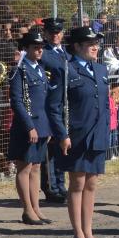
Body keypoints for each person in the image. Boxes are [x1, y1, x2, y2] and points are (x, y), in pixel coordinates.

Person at [47, 26, 110, 238]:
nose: (95, 47)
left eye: (96, 43)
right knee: (78, 183)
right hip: (77, 135)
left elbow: (104, 104)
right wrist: (62, 134)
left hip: (97, 134)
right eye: (90, 43)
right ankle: (78, 234)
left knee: (91, 183)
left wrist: (105, 131)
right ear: (77, 46)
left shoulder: (100, 69)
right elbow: (54, 107)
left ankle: (89, 231)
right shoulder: (66, 69)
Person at [8, 28, 53, 226]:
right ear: (25, 49)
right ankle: (27, 209)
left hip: (41, 125)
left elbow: (44, 100)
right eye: (35, 47)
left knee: (36, 167)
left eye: (41, 47)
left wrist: (47, 127)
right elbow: (17, 101)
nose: (40, 50)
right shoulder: (19, 70)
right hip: (26, 126)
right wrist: (29, 126)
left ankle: (36, 208)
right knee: (24, 167)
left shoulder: (40, 69)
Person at [39, 17, 70, 206]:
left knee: (61, 148)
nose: (55, 35)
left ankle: (60, 184)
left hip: (64, 106)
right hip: (49, 105)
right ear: (45, 33)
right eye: (51, 32)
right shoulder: (43, 53)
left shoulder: (65, 52)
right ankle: (50, 187)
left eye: (58, 32)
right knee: (50, 150)